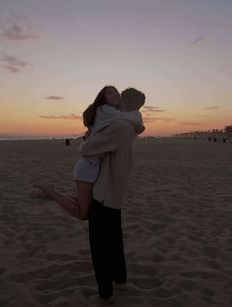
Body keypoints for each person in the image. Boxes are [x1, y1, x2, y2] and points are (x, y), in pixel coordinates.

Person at [32, 86, 145, 222]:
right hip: (87, 165)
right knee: (83, 213)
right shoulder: (109, 114)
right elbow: (86, 149)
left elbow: (128, 119)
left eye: (117, 94)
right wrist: (138, 125)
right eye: (111, 94)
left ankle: (49, 194)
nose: (116, 97)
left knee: (85, 203)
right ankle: (51, 192)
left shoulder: (114, 117)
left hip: (94, 166)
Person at [79, 87, 146, 303]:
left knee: (100, 247)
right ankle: (121, 279)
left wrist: (87, 138)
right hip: (118, 191)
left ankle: (105, 293)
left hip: (104, 192)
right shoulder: (132, 127)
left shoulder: (118, 127)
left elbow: (87, 150)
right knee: (115, 240)